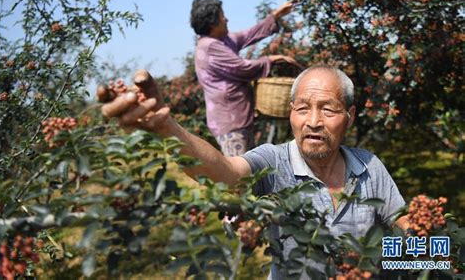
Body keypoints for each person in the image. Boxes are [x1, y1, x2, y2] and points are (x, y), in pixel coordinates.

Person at [100, 64, 409, 279]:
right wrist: (168, 129)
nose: (313, 121)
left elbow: (410, 231)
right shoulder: (274, 162)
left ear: (350, 116)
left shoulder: (370, 167)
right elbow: (226, 173)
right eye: (302, 108)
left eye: (328, 109)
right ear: (290, 113)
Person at [190, 0, 298, 156]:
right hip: (230, 121)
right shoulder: (210, 46)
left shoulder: (221, 41)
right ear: (212, 23)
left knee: (250, 168)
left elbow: (249, 34)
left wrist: (276, 15)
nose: (226, 19)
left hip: (238, 118)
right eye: (222, 16)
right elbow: (241, 68)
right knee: (241, 174)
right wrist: (271, 60)